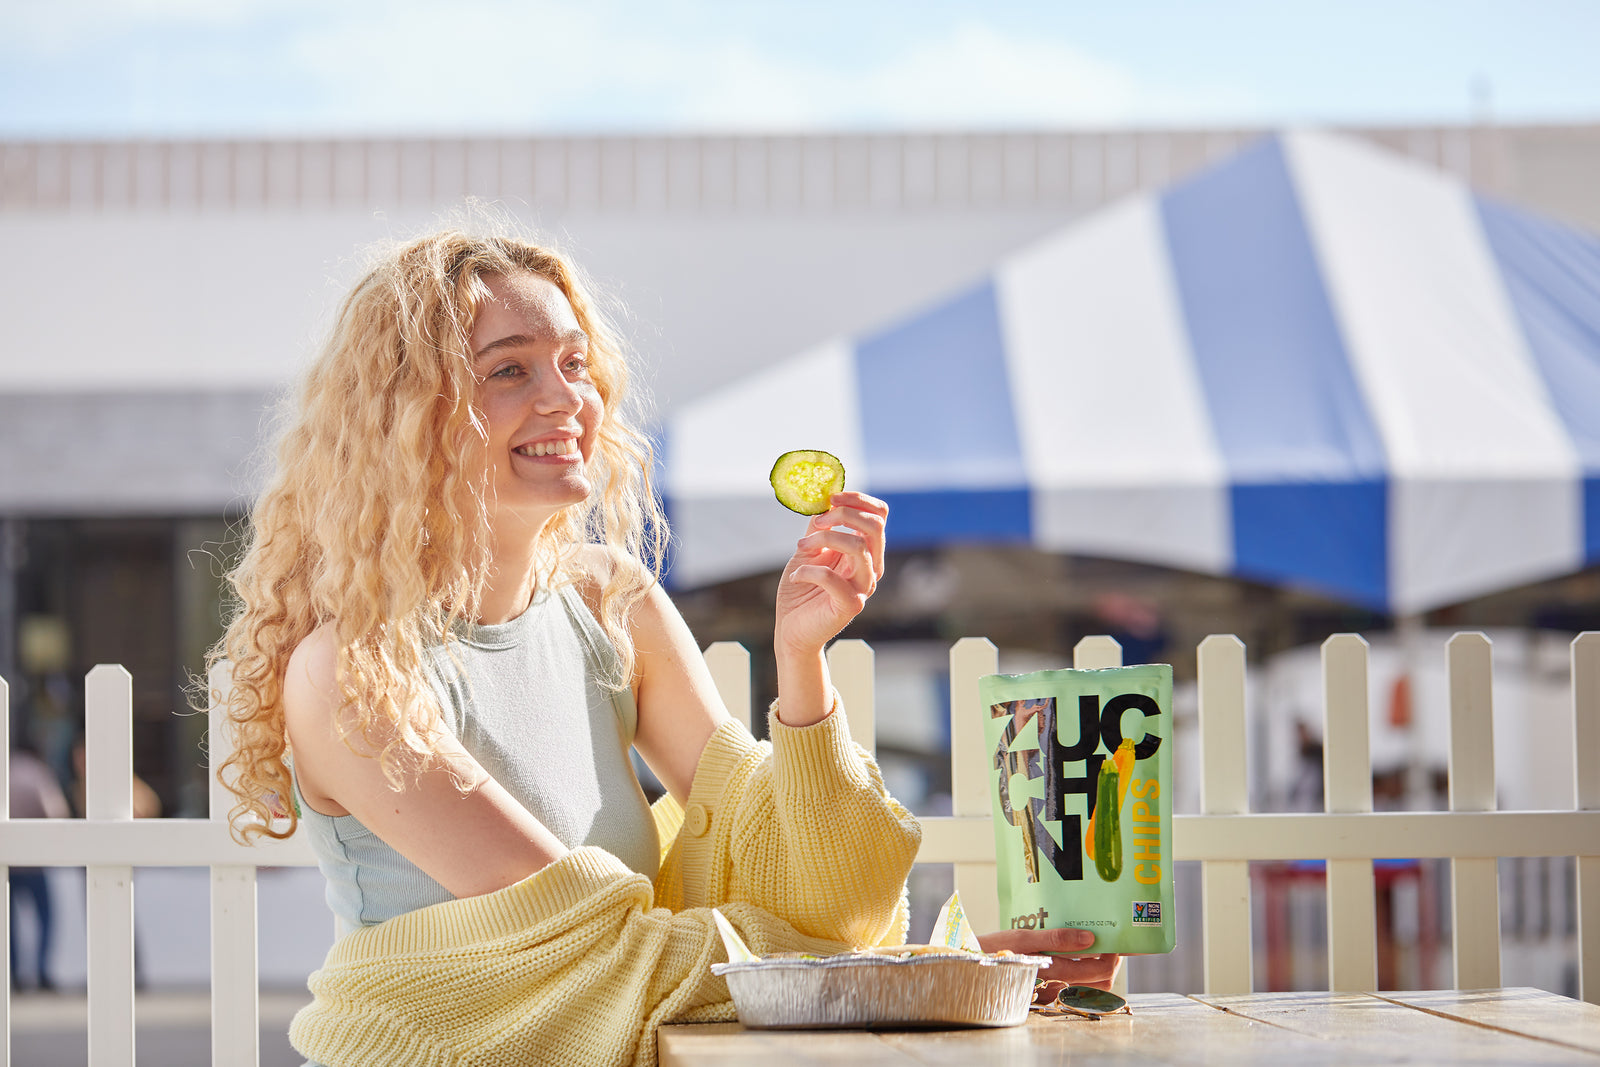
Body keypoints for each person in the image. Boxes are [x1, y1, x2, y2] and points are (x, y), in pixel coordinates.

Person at [210, 229, 1115, 1067]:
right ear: (408, 418)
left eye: (573, 362)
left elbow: (804, 881)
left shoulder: (610, 599)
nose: (566, 396)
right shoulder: (354, 673)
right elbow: (593, 954)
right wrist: (922, 976)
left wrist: (799, 658)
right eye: (509, 371)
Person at [9, 739, 71, 991]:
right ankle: (42, 971)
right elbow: (56, 812)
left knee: (8, 921)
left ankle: (13, 975)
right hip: (34, 860)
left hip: (7, 859)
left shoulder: (6, 771)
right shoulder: (37, 772)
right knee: (45, 917)